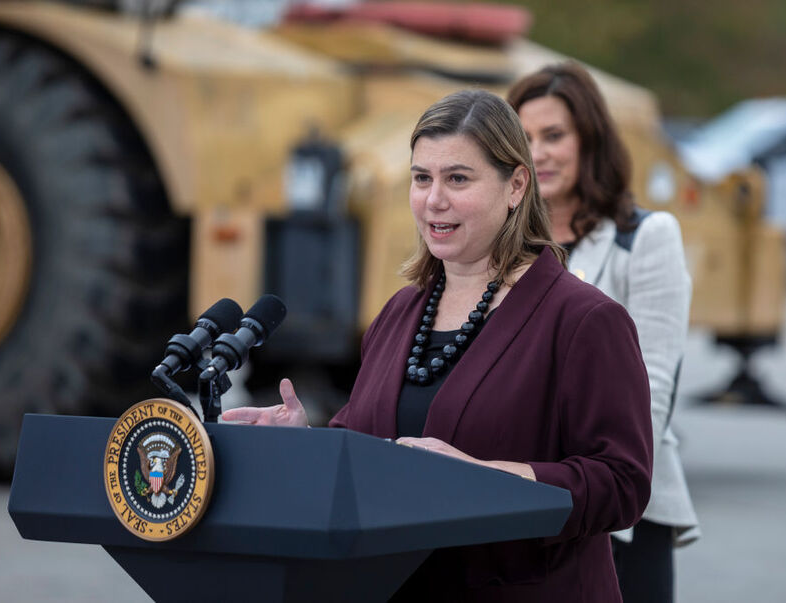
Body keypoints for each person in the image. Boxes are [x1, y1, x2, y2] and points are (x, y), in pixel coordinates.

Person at [223, 89, 652, 602]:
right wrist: (308, 442)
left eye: (458, 179)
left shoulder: (584, 321)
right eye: (421, 177)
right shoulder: (399, 313)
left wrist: (485, 477)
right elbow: (372, 452)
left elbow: (623, 484)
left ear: (516, 185)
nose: (434, 200)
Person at [508, 63, 700, 603]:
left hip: (621, 508)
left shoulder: (646, 238)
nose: (538, 152)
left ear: (590, 141)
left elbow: (654, 386)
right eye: (523, 138)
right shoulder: (501, 248)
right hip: (523, 497)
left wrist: (600, 499)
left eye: (554, 136)